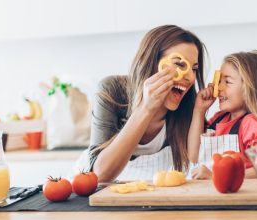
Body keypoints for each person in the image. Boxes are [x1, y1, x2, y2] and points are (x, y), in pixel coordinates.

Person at [76, 25, 207, 182]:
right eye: (180, 65)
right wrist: (146, 108)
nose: (190, 77)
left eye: (194, 69)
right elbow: (100, 175)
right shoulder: (112, 90)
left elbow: (196, 162)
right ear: (152, 62)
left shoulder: (189, 108)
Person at [188, 50, 257, 179]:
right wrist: (199, 111)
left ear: (251, 89)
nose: (219, 87)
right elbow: (193, 156)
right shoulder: (219, 119)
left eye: (227, 82)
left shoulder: (250, 123)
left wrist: (216, 176)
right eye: (219, 81)